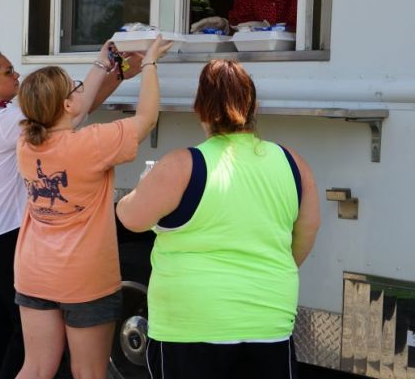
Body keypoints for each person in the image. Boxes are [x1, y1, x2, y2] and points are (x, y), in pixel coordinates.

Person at [116, 59, 321, 379]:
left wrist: (143, 185)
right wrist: (268, 274)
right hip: (267, 321)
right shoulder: (292, 162)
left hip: (190, 326)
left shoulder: (183, 164)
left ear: (200, 108)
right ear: (254, 105)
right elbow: (307, 231)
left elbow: (130, 218)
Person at [0, 44, 143, 379]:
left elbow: (71, 111)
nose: (17, 76)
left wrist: (118, 74)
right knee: (24, 338)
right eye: (8, 71)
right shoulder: (6, 121)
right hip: (3, 236)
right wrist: (105, 64)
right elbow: (72, 110)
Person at [13, 36, 174, 379]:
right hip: (84, 279)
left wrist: (105, 64)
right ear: (68, 106)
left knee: (36, 368)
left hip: (34, 273)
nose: (80, 93)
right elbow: (146, 118)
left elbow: (76, 109)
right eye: (75, 90)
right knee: (88, 372)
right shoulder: (92, 144)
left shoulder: (26, 142)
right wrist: (150, 63)